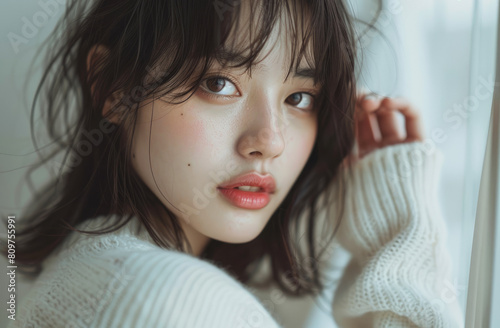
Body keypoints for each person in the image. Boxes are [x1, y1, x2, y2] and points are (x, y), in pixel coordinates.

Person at [3, 0, 464, 327]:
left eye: (299, 98)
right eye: (218, 83)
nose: (269, 141)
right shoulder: (160, 298)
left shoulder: (92, 274)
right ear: (112, 88)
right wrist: (402, 236)